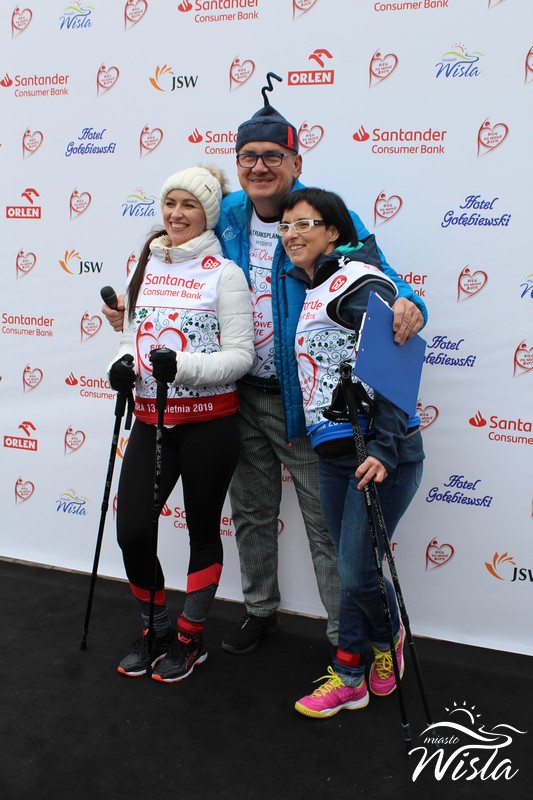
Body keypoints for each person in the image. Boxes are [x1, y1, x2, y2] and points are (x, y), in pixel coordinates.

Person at [103, 79, 427, 657]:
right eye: (248, 156)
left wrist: (409, 302)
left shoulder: (323, 214)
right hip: (235, 394)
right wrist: (130, 311)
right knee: (250, 514)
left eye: (273, 156)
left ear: (296, 162)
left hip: (302, 399)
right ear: (237, 164)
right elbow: (171, 261)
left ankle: (346, 641)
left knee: (325, 525)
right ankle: (259, 610)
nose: (260, 167)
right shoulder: (225, 211)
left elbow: (381, 277)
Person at [277, 186, 424, 718]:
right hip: (335, 455)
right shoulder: (316, 287)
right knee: (349, 570)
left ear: (333, 232)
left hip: (380, 454)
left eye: (304, 224)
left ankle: (388, 637)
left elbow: (396, 364)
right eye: (285, 226)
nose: (291, 234)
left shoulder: (355, 280)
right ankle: (349, 678)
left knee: (358, 571)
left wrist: (384, 448)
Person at [107, 165, 254, 683]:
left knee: (201, 530)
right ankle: (156, 629)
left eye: (189, 204)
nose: (176, 213)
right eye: (170, 203)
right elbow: (129, 338)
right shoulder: (146, 262)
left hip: (210, 423)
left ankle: (191, 639)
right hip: (152, 419)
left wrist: (184, 367)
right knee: (132, 532)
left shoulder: (225, 274)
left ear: (207, 213)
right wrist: (121, 365)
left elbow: (241, 357)